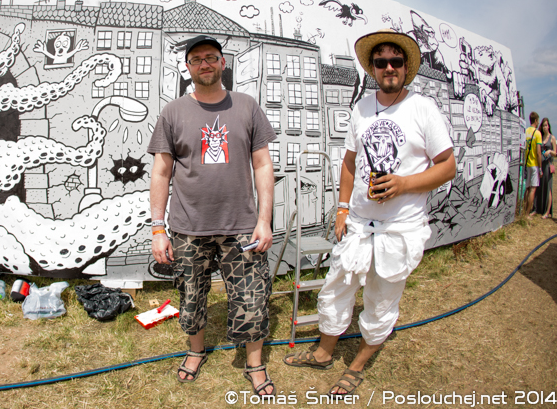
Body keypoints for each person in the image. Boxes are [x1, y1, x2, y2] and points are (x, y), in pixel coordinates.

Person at [284, 29, 455, 397]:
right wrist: (342, 209)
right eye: (381, 62)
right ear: (373, 68)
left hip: (400, 227)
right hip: (360, 222)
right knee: (336, 286)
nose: (388, 67)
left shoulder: (423, 108)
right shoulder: (361, 108)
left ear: (406, 67)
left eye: (395, 61)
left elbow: (447, 166)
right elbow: (349, 163)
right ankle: (324, 352)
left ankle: (357, 365)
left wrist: (404, 184)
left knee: (381, 296)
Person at [148, 35, 277, 396]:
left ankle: (255, 363)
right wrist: (158, 229)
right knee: (191, 295)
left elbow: (263, 164)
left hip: (242, 227)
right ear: (188, 68)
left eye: (211, 57)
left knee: (252, 295)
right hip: (188, 227)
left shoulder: (247, 106)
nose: (204, 64)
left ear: (223, 63)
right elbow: (161, 172)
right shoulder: (173, 112)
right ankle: (195, 351)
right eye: (196, 59)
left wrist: (264, 220)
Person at [535, 117, 555, 219]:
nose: (545, 127)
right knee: (540, 186)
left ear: (549, 126)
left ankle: (547, 212)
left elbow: (555, 153)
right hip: (541, 165)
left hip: (548, 165)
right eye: (543, 125)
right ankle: (539, 209)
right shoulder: (541, 137)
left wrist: (550, 151)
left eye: (546, 125)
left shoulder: (552, 138)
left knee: (548, 188)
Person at [524, 112, 543, 218]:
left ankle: (523, 211)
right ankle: (527, 213)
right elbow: (539, 152)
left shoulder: (526, 131)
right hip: (534, 164)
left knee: (527, 188)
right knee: (532, 189)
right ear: (536, 120)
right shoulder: (537, 133)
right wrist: (540, 168)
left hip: (527, 163)